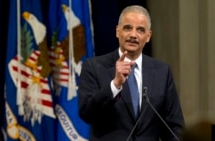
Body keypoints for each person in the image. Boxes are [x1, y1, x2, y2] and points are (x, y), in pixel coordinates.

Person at [78, 5, 185, 141]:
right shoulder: (94, 67)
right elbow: (87, 113)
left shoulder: (162, 72)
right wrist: (115, 85)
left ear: (148, 36)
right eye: (128, 28)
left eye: (140, 30)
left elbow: (174, 127)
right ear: (118, 31)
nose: (133, 35)